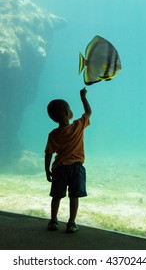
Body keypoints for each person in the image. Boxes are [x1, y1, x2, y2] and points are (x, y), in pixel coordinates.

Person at [44, 87, 92, 233]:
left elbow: (49, 154)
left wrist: (47, 170)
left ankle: (53, 221)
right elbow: (88, 112)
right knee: (74, 196)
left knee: (57, 196)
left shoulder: (53, 134)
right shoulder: (78, 126)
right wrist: (83, 97)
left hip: (59, 169)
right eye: (69, 108)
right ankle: (71, 223)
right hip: (76, 169)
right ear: (67, 113)